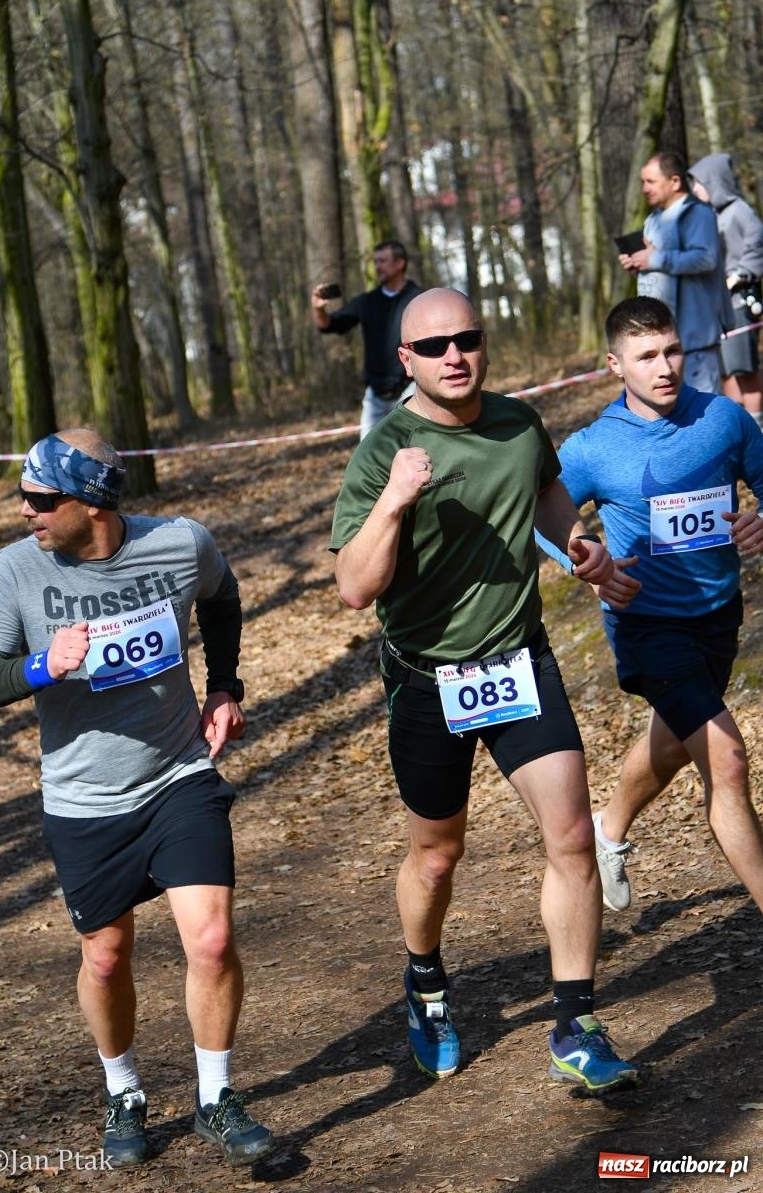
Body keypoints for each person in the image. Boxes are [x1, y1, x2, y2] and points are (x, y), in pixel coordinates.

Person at [329, 287, 638, 1094]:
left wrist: (574, 543)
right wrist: (395, 500)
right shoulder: (384, 449)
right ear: (406, 360)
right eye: (434, 347)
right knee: (437, 858)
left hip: (518, 659)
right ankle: (425, 981)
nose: (454, 356)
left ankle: (576, 1023)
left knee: (571, 836)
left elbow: (544, 491)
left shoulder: (517, 423)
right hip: (428, 678)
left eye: (467, 339)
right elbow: (354, 588)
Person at [0, 430, 275, 1168]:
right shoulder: (17, 572)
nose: (24, 512)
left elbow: (222, 594)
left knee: (213, 937)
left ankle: (215, 1098)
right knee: (105, 958)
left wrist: (226, 684)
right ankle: (123, 1089)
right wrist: (41, 665)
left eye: (40, 499)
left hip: (178, 776)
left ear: (92, 502)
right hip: (84, 798)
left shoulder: (178, 543)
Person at [549, 296, 763, 916]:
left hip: (718, 613)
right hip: (646, 620)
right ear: (616, 365)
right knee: (727, 758)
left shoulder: (723, 419)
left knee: (671, 746)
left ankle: (607, 829)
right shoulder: (594, 447)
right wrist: (582, 559)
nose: (665, 367)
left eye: (672, 351)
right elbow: (542, 515)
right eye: (646, 356)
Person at [618, 151, 731, 395]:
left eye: (650, 181)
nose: (644, 188)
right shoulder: (653, 220)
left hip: (695, 339)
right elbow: (659, 272)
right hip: (663, 341)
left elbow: (706, 258)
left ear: (675, 181)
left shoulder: (698, 213)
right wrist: (638, 267)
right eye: (642, 182)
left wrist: (655, 258)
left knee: (704, 415)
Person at [311, 240, 422, 437]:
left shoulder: (420, 299)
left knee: (416, 448)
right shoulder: (367, 302)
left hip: (411, 389)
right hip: (375, 396)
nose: (377, 266)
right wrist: (318, 308)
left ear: (400, 263)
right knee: (368, 456)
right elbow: (328, 325)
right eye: (376, 261)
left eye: (383, 261)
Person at [688, 152, 763, 427]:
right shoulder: (711, 216)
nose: (695, 189)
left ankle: (758, 427)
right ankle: (738, 428)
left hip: (740, 302)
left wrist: (741, 274)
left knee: (744, 367)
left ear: (715, 182)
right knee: (727, 370)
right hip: (718, 304)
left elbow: (758, 243)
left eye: (700, 183)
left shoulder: (739, 210)